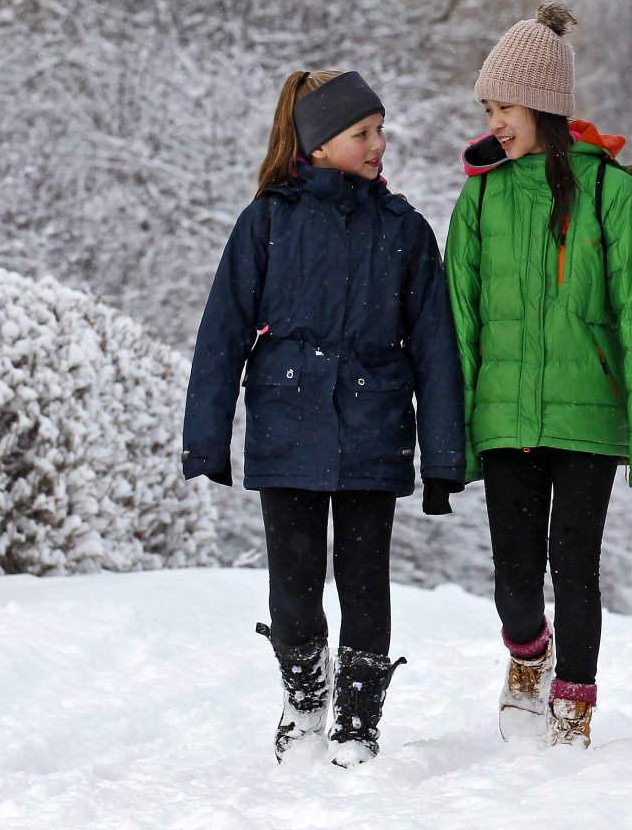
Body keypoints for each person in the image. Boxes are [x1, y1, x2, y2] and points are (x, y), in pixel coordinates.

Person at [181, 69, 466, 766]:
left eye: (380, 130)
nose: (379, 144)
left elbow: (436, 350)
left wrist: (444, 459)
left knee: (365, 582)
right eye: (362, 133)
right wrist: (206, 440)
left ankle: (358, 721)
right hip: (288, 424)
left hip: (374, 430)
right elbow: (222, 332)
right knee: (295, 586)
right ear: (317, 146)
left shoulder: (405, 231)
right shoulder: (268, 222)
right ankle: (305, 700)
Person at [446, 3, 632, 750]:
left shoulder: (610, 195)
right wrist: (450, 435)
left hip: (587, 418)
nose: (494, 121)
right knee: (514, 577)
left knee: (574, 566)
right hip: (506, 417)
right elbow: (459, 320)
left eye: (504, 106)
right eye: (487, 107)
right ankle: (527, 655)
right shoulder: (480, 194)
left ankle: (574, 707)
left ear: (543, 106)